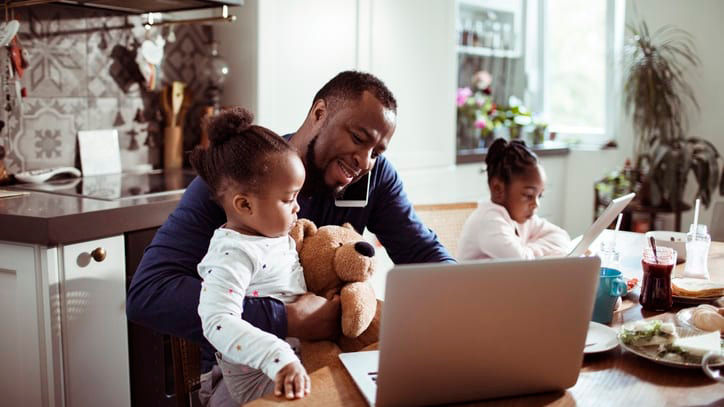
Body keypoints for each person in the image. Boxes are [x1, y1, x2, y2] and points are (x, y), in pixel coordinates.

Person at [126, 71, 454, 406]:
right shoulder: (241, 180)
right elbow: (149, 294)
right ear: (319, 114)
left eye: (377, 152)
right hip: (248, 377)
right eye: (358, 137)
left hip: (325, 362)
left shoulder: (375, 179)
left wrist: (471, 300)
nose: (365, 161)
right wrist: (287, 318)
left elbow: (422, 252)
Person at [190, 108, 309, 403]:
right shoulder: (233, 252)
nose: (297, 208)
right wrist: (277, 356)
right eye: (288, 199)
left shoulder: (272, 236)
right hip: (260, 380)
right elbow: (217, 320)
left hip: (297, 364)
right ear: (244, 205)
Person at [457, 138, 570, 260]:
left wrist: (529, 249)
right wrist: (542, 251)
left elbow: (562, 237)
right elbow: (521, 262)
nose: (536, 204)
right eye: (528, 195)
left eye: (539, 196)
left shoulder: (523, 219)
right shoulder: (488, 220)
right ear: (498, 189)